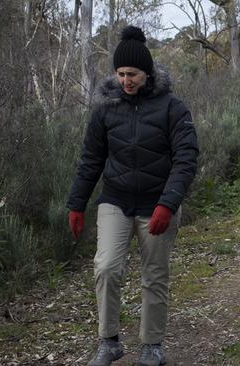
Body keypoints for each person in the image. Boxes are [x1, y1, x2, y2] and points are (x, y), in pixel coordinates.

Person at [66, 26, 199, 366]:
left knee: (154, 274)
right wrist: (77, 204)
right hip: (116, 200)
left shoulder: (172, 107)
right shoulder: (106, 109)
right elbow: (91, 159)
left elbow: (186, 160)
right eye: (121, 73)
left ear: (147, 73)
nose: (126, 80)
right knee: (106, 266)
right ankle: (108, 342)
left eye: (133, 74)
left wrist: (167, 204)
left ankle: (151, 345)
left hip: (157, 204)